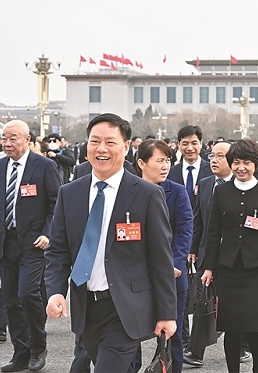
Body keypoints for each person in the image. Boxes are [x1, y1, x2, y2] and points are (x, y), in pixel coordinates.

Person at [44, 113, 177, 373]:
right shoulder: (69, 193)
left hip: (126, 307)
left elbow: (161, 258)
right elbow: (58, 251)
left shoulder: (147, 194)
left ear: (126, 147)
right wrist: (56, 292)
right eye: (95, 141)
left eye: (110, 142)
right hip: (86, 308)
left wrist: (167, 314)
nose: (101, 149)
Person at [0, 120, 61, 372]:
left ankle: (38, 348)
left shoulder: (44, 166)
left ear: (27, 140)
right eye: (4, 138)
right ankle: (21, 353)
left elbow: (56, 203)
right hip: (6, 243)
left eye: (13, 138)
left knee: (28, 293)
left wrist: (48, 233)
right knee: (10, 300)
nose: (7, 143)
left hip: (34, 243)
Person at [202, 139, 258, 373]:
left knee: (254, 325)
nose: (241, 168)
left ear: (256, 164)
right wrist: (209, 267)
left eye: (246, 163)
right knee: (230, 325)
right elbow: (213, 231)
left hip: (257, 269)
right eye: (236, 162)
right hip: (228, 268)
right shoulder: (221, 191)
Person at [135, 139, 193, 373]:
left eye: (168, 160)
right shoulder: (129, 191)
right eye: (159, 161)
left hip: (171, 275)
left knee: (172, 335)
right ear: (141, 163)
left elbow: (185, 230)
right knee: (130, 334)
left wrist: (174, 264)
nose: (165, 166)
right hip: (135, 276)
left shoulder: (177, 191)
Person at [184, 141, 233, 368]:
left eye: (220, 156)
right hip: (206, 253)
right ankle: (196, 351)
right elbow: (198, 219)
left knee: (232, 302)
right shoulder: (204, 184)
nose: (214, 160)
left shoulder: (241, 185)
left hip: (233, 255)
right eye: (212, 155)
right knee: (203, 301)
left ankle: (241, 344)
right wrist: (193, 248)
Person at [168, 125, 213, 208]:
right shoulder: (170, 173)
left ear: (200, 144)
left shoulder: (212, 172)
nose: (190, 148)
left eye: (194, 143)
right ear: (179, 145)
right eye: (185, 144)